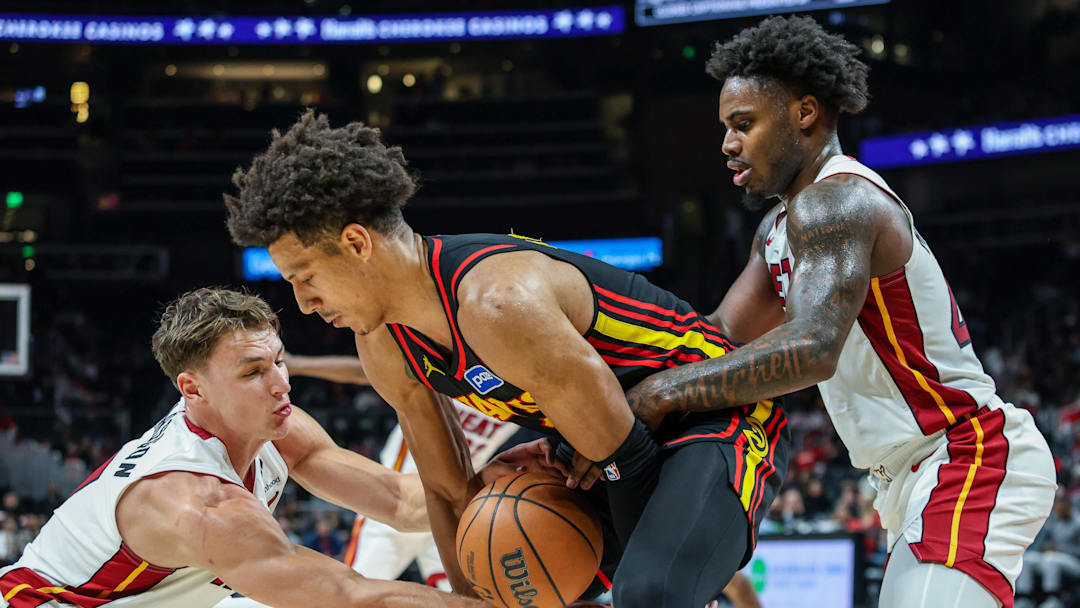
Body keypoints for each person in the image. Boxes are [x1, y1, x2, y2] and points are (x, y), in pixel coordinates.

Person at [224, 110, 790, 608]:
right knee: (512, 591)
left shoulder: (495, 302)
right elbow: (449, 492)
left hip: (715, 420)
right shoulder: (383, 340)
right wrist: (475, 600)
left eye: (305, 278)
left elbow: (627, 458)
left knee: (652, 593)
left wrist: (649, 579)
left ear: (356, 243)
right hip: (607, 445)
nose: (302, 302)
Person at [620, 15, 1057, 608]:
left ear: (804, 113)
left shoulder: (838, 201)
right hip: (906, 479)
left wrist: (659, 395)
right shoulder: (777, 227)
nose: (727, 144)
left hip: (964, 456)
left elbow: (811, 348)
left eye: (743, 124)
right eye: (726, 127)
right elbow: (716, 336)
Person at [0, 287, 488, 608]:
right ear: (193, 389)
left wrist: (508, 483)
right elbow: (347, 595)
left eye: (279, 361)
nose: (282, 385)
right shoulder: (198, 501)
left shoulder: (277, 427)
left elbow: (401, 502)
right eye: (253, 372)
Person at [281, 352, 533, 590]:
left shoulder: (524, 398)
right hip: (394, 501)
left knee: (470, 599)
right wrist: (299, 364)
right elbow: (366, 371)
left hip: (454, 509)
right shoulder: (458, 365)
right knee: (353, 595)